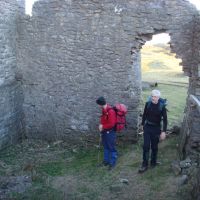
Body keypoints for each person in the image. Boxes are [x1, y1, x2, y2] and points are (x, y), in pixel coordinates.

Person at [138, 89, 167, 173]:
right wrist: (143, 125)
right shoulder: (148, 104)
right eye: (152, 96)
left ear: (158, 98)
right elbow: (144, 115)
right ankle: (144, 164)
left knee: (154, 147)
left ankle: (153, 162)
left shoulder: (162, 106)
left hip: (156, 129)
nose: (154, 98)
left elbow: (165, 120)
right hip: (147, 127)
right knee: (146, 146)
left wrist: (164, 131)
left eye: (155, 97)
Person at [96, 96, 117, 170]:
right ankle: (106, 161)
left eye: (98, 104)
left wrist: (103, 126)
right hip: (105, 131)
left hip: (110, 132)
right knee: (105, 146)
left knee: (111, 147)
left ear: (100, 104)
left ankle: (112, 162)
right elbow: (103, 119)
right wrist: (101, 125)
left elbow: (112, 124)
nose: (98, 106)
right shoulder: (104, 109)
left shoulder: (111, 111)